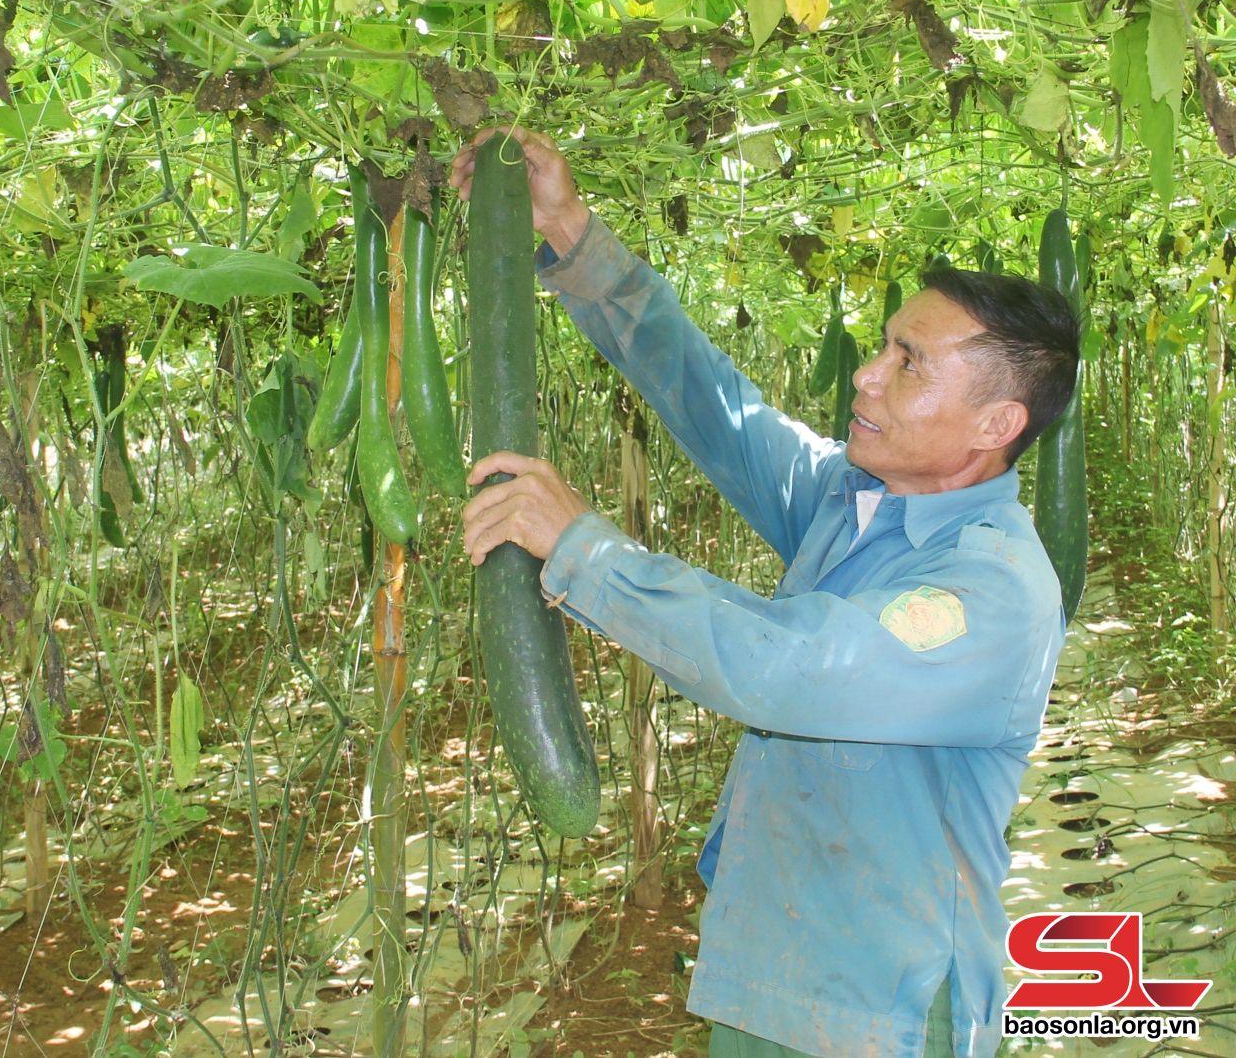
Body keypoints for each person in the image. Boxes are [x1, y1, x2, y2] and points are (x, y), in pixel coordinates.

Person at [450, 127, 1080, 1058]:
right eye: (884, 346)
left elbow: (792, 670)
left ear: (997, 424)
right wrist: (571, 233)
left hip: (883, 1012)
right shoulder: (852, 499)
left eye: (909, 363)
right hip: (767, 971)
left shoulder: (994, 590)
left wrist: (583, 548)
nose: (867, 372)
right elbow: (715, 404)